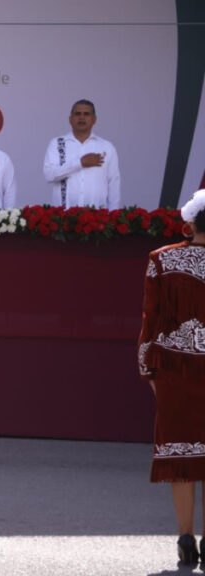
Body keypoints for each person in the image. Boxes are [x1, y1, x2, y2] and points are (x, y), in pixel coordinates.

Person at [137, 188, 205, 567]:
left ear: (190, 223)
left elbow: (151, 317)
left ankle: (185, 536)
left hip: (174, 371)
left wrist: (147, 366)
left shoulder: (161, 260)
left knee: (181, 456)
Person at [42, 99, 120, 209]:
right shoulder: (57, 144)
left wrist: (113, 214)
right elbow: (49, 175)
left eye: (86, 114)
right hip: (63, 215)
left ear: (94, 119)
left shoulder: (107, 147)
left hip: (98, 215)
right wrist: (79, 163)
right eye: (77, 114)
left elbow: (113, 184)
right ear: (70, 119)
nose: (82, 117)